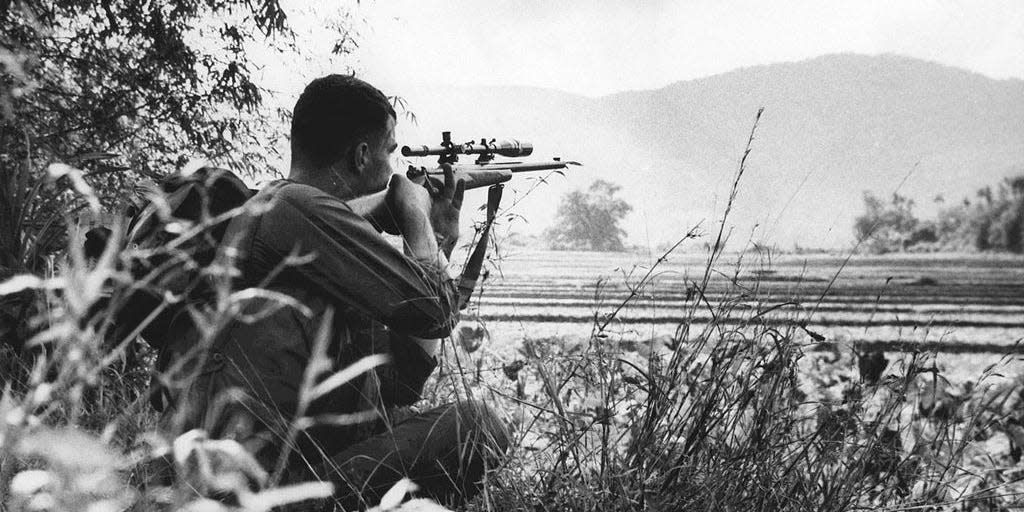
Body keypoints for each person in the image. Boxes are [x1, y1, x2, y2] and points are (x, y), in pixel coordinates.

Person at [155, 74, 510, 509]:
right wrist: (415, 218)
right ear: (361, 155)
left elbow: (403, 381)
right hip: (255, 493)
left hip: (266, 478)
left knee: (443, 428)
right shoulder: (293, 205)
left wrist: (436, 238)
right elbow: (437, 311)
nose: (393, 166)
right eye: (390, 151)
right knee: (474, 426)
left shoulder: (299, 233)